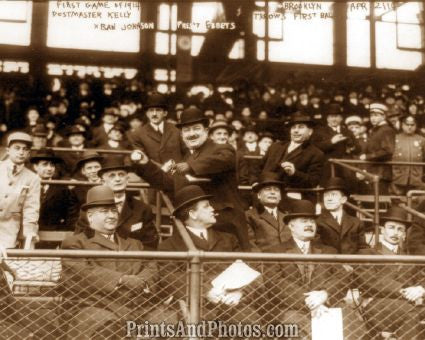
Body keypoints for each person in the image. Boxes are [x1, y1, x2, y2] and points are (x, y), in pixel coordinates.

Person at [61, 185, 176, 339]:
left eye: (114, 211)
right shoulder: (76, 243)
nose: (111, 215)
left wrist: (143, 281)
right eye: (104, 211)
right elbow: (83, 274)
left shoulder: (134, 243)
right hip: (94, 306)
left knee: (168, 323)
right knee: (109, 327)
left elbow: (151, 265)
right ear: (90, 216)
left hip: (138, 305)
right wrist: (122, 280)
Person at [132, 107, 250, 250]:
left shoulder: (222, 149)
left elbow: (222, 160)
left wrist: (190, 166)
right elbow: (169, 183)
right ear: (181, 135)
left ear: (206, 131)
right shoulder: (187, 157)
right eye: (186, 130)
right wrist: (146, 164)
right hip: (197, 227)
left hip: (225, 225)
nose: (191, 134)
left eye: (196, 129)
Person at [158, 185, 259, 323]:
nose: (213, 209)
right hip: (195, 306)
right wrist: (206, 291)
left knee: (250, 321)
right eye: (206, 206)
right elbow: (171, 279)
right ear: (193, 214)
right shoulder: (169, 246)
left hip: (231, 306)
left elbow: (248, 270)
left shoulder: (229, 238)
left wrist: (241, 293)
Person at [264, 200, 362, 339]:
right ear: (291, 226)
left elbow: (342, 277)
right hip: (290, 308)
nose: (310, 225)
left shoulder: (328, 251)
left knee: (350, 322)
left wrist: (325, 294)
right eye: (304, 221)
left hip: (326, 304)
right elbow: (274, 283)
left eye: (312, 222)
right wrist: (310, 302)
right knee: (298, 326)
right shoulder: (275, 252)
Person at [357, 206, 424, 340]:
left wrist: (420, 288)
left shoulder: (410, 257)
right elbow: (370, 281)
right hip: (378, 304)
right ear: (382, 230)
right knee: (412, 313)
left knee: (412, 311)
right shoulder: (367, 253)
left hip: (407, 304)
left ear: (404, 234)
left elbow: (421, 276)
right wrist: (403, 291)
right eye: (391, 227)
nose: (395, 233)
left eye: (400, 230)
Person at [75, 156, 159, 250]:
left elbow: (150, 244)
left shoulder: (142, 208)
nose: (118, 179)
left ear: (127, 180)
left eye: (121, 175)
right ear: (103, 182)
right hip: (100, 262)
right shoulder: (89, 209)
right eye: (112, 176)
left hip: (132, 262)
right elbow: (79, 242)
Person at [262, 111, 325, 197]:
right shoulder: (275, 146)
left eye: (301, 127)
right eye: (293, 127)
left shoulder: (316, 153)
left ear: (310, 132)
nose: (296, 131)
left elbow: (313, 182)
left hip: (291, 194)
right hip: (264, 191)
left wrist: (294, 173)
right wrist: (254, 182)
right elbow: (258, 167)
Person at [0, 132, 40, 248]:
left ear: (29, 153)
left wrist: (30, 233)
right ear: (8, 150)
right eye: (17, 148)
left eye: (25, 149)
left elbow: (31, 208)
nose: (21, 152)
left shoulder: (32, 178)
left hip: (9, 231)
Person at [30, 149, 78, 232]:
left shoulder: (62, 188)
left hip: (53, 232)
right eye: (45, 164)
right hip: (28, 231)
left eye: (52, 165)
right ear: (35, 167)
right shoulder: (28, 184)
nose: (49, 168)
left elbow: (70, 214)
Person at [130, 93, 184, 167]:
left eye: (158, 110)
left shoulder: (176, 130)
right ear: (147, 114)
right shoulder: (138, 134)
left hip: (177, 174)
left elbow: (187, 153)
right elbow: (142, 160)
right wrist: (163, 168)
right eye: (151, 110)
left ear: (165, 113)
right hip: (153, 175)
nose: (154, 114)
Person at [316, 177, 367, 254]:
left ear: (343, 199)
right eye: (326, 195)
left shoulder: (357, 222)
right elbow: (316, 247)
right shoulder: (317, 221)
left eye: (333, 195)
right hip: (328, 264)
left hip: (352, 264)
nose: (328, 199)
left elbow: (363, 248)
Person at [311, 103, 359, 183]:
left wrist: (351, 147)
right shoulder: (319, 132)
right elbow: (315, 148)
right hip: (328, 169)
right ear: (327, 119)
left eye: (336, 116)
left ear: (341, 118)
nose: (334, 119)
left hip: (346, 169)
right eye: (331, 117)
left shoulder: (347, 132)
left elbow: (358, 149)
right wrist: (331, 142)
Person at [245, 172, 292, 252]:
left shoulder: (288, 216)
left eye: (276, 190)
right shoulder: (249, 216)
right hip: (266, 262)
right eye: (268, 189)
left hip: (290, 261)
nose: (273, 192)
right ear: (259, 195)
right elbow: (251, 245)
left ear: (280, 196)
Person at [359, 103, 396, 194]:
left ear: (383, 116)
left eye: (376, 115)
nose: (373, 118)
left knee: (379, 203)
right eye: (371, 115)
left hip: (381, 173)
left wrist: (367, 157)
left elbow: (388, 151)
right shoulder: (376, 130)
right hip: (374, 172)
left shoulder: (386, 130)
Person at [390, 115, 425, 195]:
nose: (409, 127)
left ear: (416, 126)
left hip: (416, 180)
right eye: (407, 124)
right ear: (402, 125)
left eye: (412, 125)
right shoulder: (395, 139)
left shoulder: (422, 140)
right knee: (396, 203)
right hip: (397, 179)